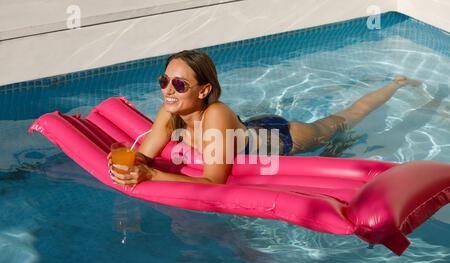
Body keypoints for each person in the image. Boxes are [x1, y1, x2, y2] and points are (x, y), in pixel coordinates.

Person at [109, 50, 420, 185]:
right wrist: (130, 163)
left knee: (344, 119)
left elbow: (214, 181)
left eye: (179, 84)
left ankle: (397, 83)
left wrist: (153, 176)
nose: (168, 91)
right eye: (164, 81)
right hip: (249, 128)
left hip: (281, 138)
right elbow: (143, 156)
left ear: (204, 90)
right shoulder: (170, 110)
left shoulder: (215, 114)